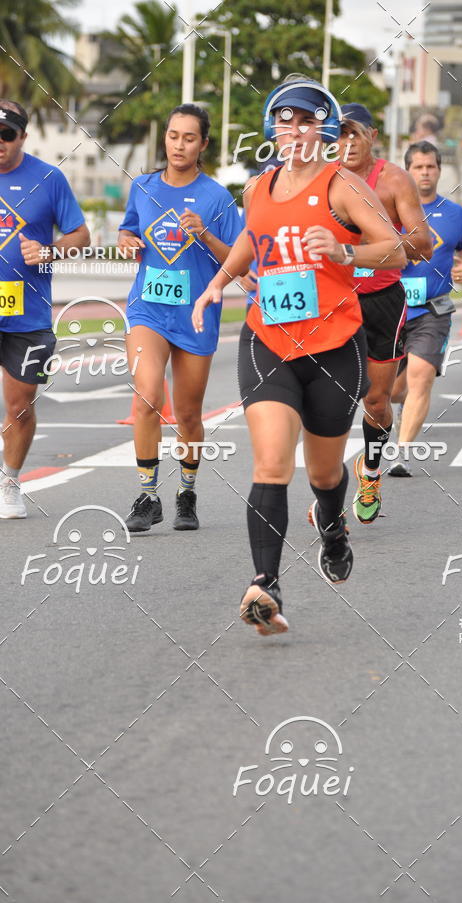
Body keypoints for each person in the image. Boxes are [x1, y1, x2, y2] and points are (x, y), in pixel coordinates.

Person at [192, 77, 406, 636]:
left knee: (325, 471)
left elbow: (396, 248)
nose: (294, 131)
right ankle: (265, 585)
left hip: (334, 347)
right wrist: (217, 283)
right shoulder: (258, 186)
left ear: (323, 130)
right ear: (273, 129)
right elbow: (251, 239)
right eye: (284, 121)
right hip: (268, 340)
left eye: (306, 121)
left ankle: (332, 528)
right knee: (270, 464)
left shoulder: (343, 185)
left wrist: (345, 251)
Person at [118, 104, 241, 532]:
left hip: (195, 315)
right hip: (147, 309)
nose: (179, 145)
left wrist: (204, 233)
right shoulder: (143, 186)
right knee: (147, 397)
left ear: (203, 144)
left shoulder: (217, 197)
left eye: (189, 138)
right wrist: (126, 239)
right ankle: (147, 496)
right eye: (173, 136)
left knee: (188, 415)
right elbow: (128, 228)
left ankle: (186, 492)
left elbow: (237, 262)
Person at [336, 103, 432, 521]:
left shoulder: (393, 180)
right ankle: (328, 492)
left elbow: (424, 245)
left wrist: (374, 246)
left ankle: (371, 469)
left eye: (355, 133)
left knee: (377, 400)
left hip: (381, 301)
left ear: (372, 136)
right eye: (340, 134)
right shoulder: (321, 181)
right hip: (334, 301)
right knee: (329, 399)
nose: (348, 142)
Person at [0, 99, 89, 518]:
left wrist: (49, 251)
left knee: (20, 405)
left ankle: (10, 482)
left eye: (7, 135)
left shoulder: (48, 179)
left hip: (27, 314)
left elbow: (81, 235)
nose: (0, 143)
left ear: (23, 137)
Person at [389, 140, 462, 476]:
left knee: (421, 377)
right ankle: (402, 407)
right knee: (392, 390)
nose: (425, 173)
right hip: (393, 309)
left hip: (433, 310)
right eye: (418, 167)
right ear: (407, 170)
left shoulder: (455, 214)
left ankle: (402, 452)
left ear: (439, 170)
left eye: (430, 167)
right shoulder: (389, 210)